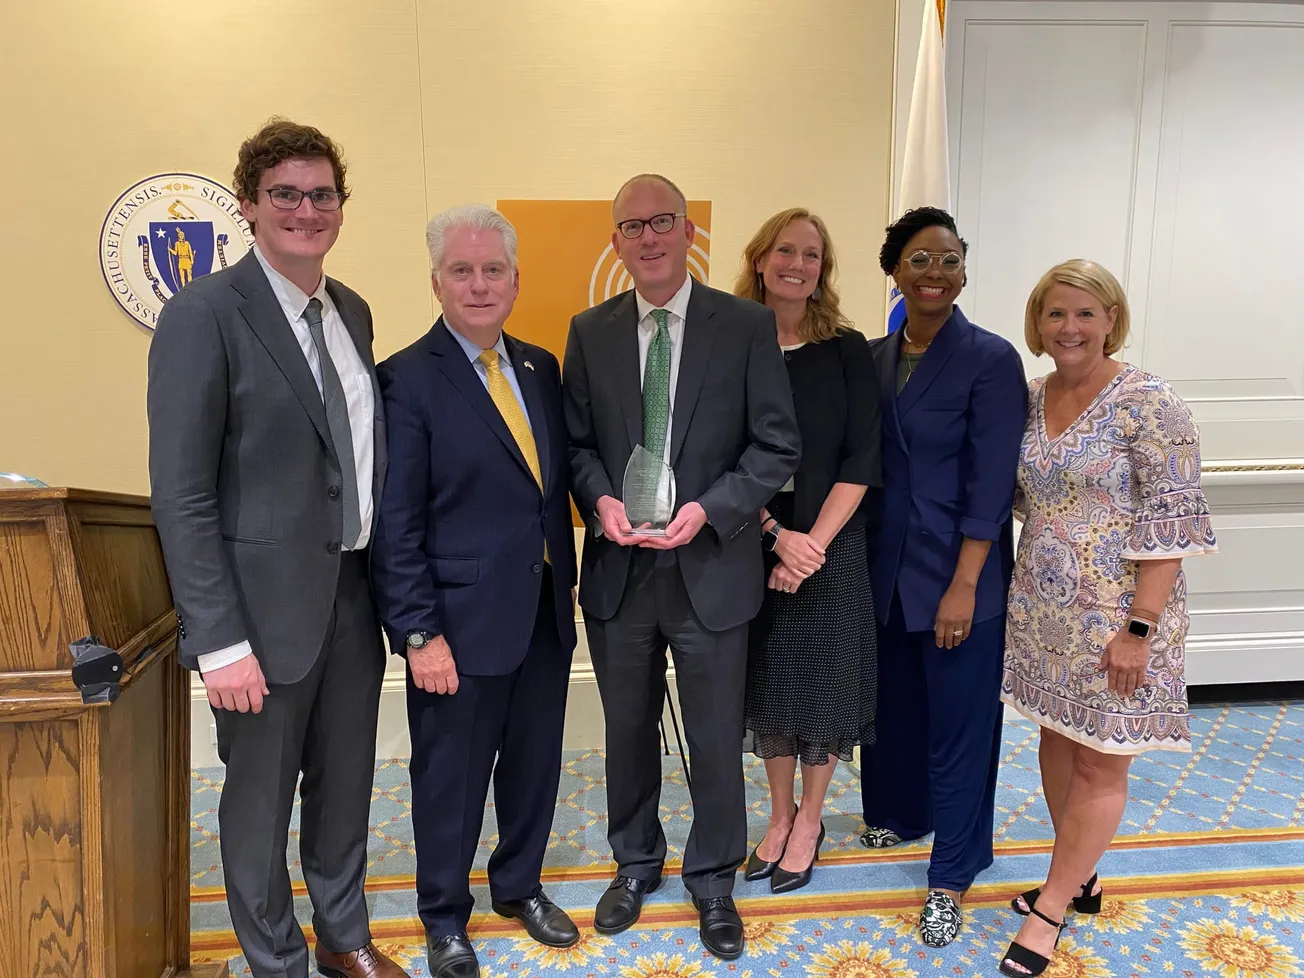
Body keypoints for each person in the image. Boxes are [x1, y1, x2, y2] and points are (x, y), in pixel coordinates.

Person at [147, 119, 407, 978]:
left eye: (322, 194)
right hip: (256, 616)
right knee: (258, 807)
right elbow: (182, 494)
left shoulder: (353, 311)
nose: (306, 209)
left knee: (345, 787)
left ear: (340, 207)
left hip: (351, 596)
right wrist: (217, 640)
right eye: (286, 194)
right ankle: (276, 961)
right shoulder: (204, 314)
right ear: (251, 205)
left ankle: (342, 937)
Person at [563, 173, 800, 960]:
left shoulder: (745, 325)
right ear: (617, 242)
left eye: (663, 221)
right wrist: (600, 503)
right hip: (619, 572)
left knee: (712, 734)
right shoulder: (589, 331)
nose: (649, 237)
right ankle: (635, 862)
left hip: (711, 566)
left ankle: (712, 879)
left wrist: (711, 510)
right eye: (632, 226)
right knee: (627, 731)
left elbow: (776, 444)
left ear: (690, 230)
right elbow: (575, 447)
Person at [370, 204, 580, 978]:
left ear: (517, 280)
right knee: (450, 779)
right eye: (462, 270)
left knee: (534, 766)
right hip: (455, 625)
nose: (480, 284)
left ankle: (518, 886)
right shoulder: (406, 378)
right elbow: (397, 522)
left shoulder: (539, 368)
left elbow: (546, 491)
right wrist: (419, 633)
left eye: (494, 270)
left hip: (544, 614)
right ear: (436, 281)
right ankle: (444, 916)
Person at [997, 260, 1216, 977]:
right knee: (1057, 746)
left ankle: (1054, 907)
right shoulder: (1031, 399)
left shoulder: (1149, 402)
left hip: (1121, 618)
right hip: (1043, 615)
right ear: (1038, 324)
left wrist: (1140, 628)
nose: (1070, 328)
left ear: (1112, 320)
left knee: (1100, 757)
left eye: (1086, 314)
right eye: (1056, 314)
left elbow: (1174, 520)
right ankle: (1081, 877)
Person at [856, 206, 1028, 948]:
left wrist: (965, 585)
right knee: (890, 710)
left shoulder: (990, 359)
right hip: (881, 569)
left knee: (960, 728)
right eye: (920, 260)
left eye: (950, 260)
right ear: (893, 270)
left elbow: (992, 485)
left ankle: (951, 872)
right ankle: (897, 812)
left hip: (964, 574)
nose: (936, 274)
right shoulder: (868, 357)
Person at [732, 208, 880, 894]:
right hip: (753, 533)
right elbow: (714, 452)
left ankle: (812, 820)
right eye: (785, 251)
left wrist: (811, 545)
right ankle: (778, 814)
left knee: (823, 682)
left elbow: (862, 454)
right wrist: (774, 537)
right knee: (770, 682)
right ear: (760, 260)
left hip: (830, 536)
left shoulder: (847, 349)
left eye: (812, 255)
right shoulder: (731, 341)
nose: (798, 264)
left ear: (824, 270)